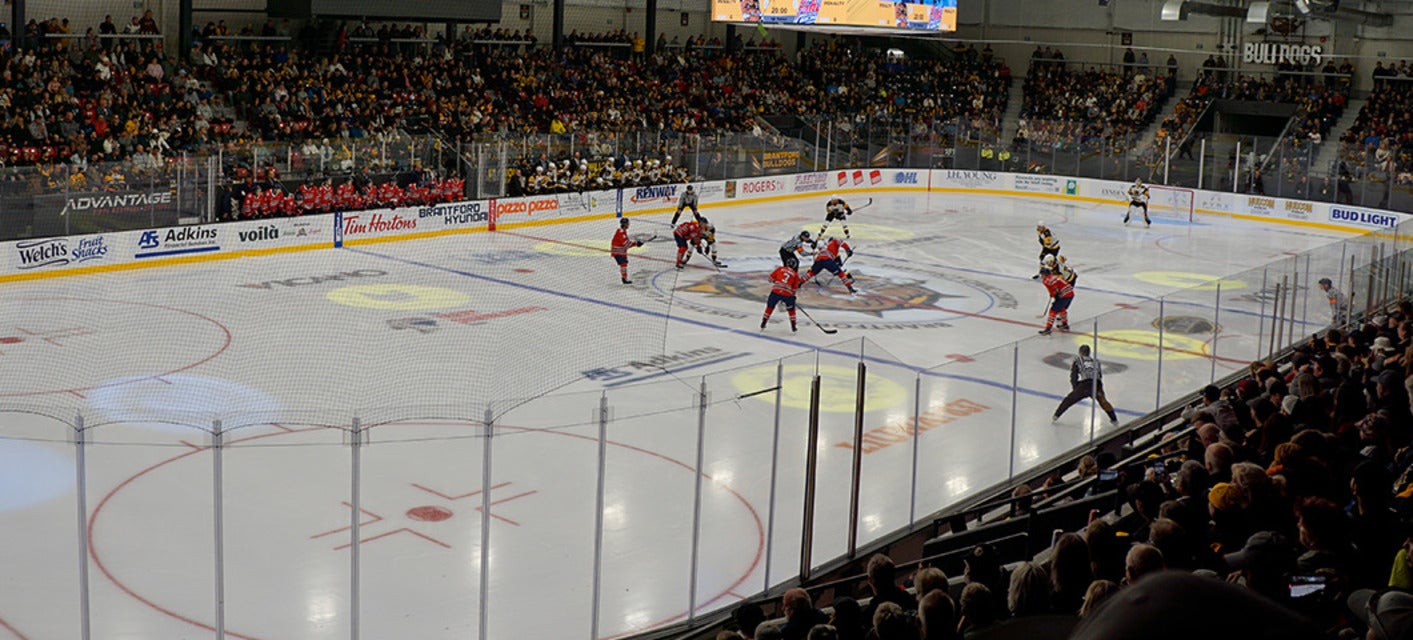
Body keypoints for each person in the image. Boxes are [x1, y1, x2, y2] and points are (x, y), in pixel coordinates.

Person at [1053, 344, 1119, 424]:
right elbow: (1100, 375)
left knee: (1069, 400)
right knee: (1104, 402)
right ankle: (1114, 419)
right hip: (1097, 384)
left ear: (1080, 352)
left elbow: (1074, 375)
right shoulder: (1096, 361)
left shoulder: (1078, 360)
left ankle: (1056, 415)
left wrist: (1075, 388)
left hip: (1085, 385)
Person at [762, 263, 804, 332]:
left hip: (776, 291)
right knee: (791, 310)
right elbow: (794, 289)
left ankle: (764, 322)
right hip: (787, 293)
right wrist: (793, 297)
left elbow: (770, 279)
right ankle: (793, 326)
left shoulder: (780, 269)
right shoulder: (795, 274)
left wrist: (777, 282)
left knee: (770, 307)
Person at [1038, 265, 1074, 335]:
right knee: (1061, 308)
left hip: (1064, 295)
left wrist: (1053, 295)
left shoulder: (1046, 280)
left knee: (1053, 311)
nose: (1041, 276)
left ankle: (1048, 328)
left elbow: (1052, 290)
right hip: (1071, 294)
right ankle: (1065, 324)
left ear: (1044, 275)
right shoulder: (1054, 276)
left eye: (1042, 275)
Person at [610, 218, 644, 284]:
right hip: (618, 251)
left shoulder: (622, 231)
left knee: (624, 264)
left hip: (620, 251)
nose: (628, 225)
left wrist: (636, 243)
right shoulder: (621, 233)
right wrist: (636, 244)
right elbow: (627, 245)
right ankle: (624, 279)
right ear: (625, 224)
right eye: (627, 224)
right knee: (623, 264)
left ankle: (624, 278)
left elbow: (627, 243)